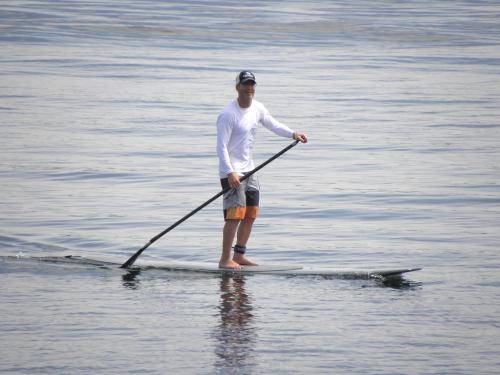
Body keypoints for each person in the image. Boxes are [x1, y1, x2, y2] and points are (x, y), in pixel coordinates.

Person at [216, 71, 308, 269]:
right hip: (232, 172)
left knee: (251, 213)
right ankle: (225, 259)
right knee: (235, 215)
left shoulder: (257, 108)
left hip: (250, 169)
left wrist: (293, 134)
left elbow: (273, 124)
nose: (249, 88)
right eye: (245, 84)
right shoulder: (228, 114)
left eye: (252, 84)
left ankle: (239, 255)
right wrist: (230, 172)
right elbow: (221, 147)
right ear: (237, 87)